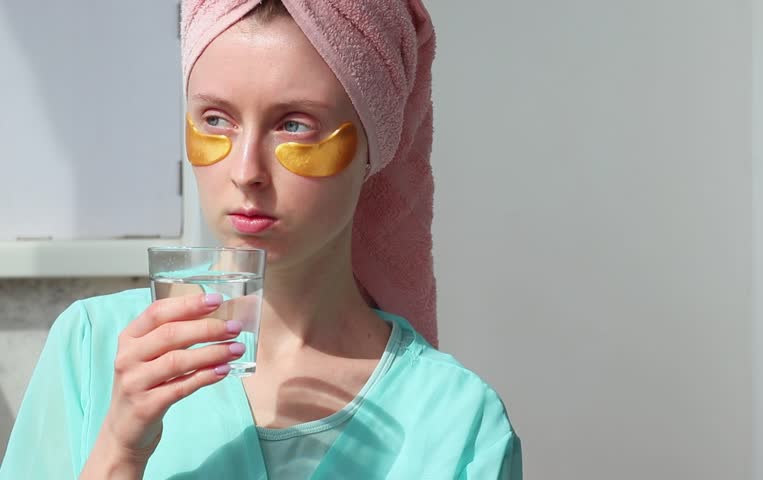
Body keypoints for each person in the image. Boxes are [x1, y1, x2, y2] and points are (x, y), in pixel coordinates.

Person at [0, 0, 522, 478]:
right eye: (215, 119)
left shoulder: (458, 419)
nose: (245, 170)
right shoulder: (93, 346)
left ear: (373, 145)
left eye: (294, 125)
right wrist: (119, 450)